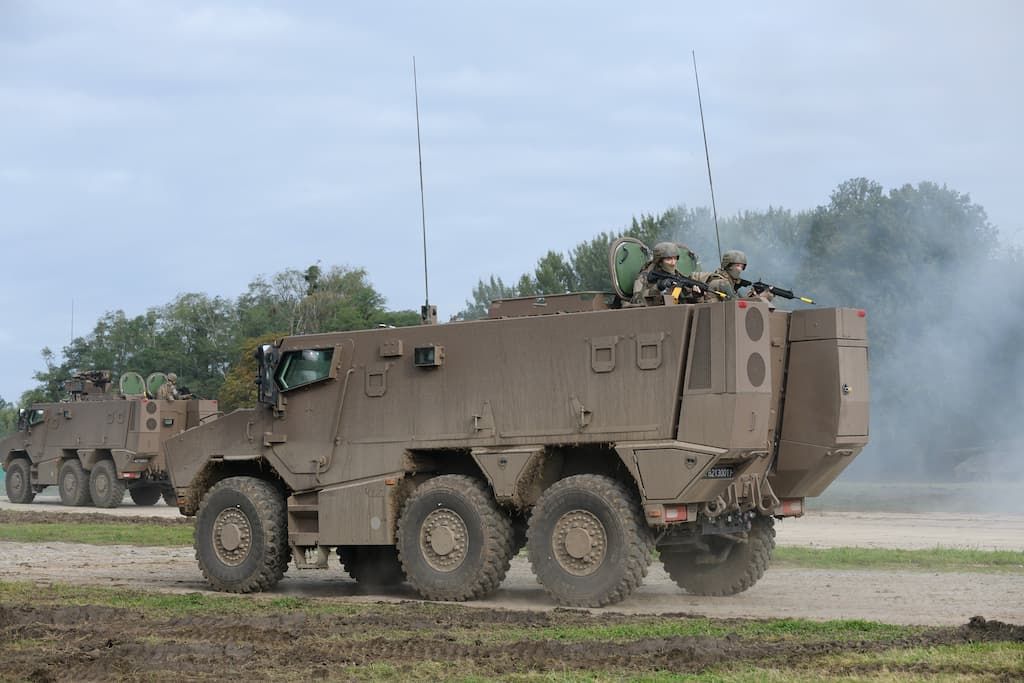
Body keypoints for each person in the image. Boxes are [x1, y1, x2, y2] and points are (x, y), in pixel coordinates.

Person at [631, 242, 703, 305]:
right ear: (659, 261)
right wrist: (658, 288)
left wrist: (695, 296)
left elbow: (677, 301)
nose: (673, 263)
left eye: (675, 258)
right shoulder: (645, 277)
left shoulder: (678, 276)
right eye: (669, 259)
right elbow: (636, 300)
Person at [692, 250, 774, 304]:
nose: (740, 269)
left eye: (742, 267)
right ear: (728, 266)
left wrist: (753, 296)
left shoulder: (729, 282)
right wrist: (761, 298)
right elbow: (737, 305)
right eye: (737, 265)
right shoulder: (722, 283)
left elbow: (739, 301)